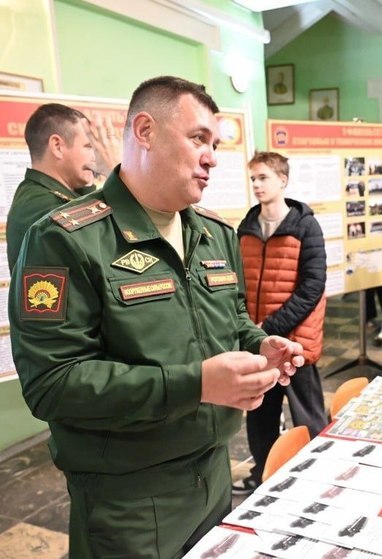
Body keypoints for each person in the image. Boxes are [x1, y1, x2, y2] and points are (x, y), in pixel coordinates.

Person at [8, 76, 304, 558]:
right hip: (129, 498)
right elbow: (52, 383)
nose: (212, 157)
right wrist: (196, 384)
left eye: (214, 144)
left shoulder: (214, 235)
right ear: (144, 131)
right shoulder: (65, 239)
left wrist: (258, 345)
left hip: (214, 474)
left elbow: (230, 322)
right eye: (198, 139)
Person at [232, 151, 327, 495]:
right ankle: (264, 476)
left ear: (282, 181)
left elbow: (312, 287)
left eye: (263, 178)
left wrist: (270, 325)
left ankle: (320, 476)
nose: (256, 185)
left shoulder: (305, 225)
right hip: (258, 340)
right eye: (253, 178)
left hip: (294, 339)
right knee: (260, 416)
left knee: (309, 415)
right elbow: (238, 280)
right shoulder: (246, 226)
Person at [6, 103, 120, 272]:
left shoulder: (47, 193)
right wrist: (116, 173)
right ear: (57, 147)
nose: (96, 157)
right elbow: (112, 244)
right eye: (89, 147)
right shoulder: (43, 204)